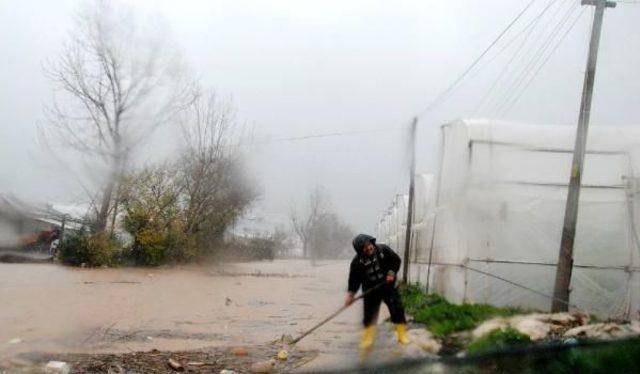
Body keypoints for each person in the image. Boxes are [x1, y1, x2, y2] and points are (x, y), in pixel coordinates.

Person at [345, 234, 409, 351]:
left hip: (387, 286)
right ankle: (368, 339)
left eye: (369, 245)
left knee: (397, 308)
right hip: (370, 291)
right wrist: (351, 294)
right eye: (365, 247)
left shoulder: (383, 250)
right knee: (369, 314)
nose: (369, 248)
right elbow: (354, 279)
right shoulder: (356, 262)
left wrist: (391, 273)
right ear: (360, 250)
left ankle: (402, 335)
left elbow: (396, 261)